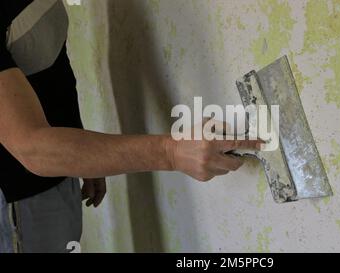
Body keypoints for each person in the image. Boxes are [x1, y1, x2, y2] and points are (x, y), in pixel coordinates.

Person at [0, 0, 260, 253]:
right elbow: (32, 147)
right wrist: (171, 152)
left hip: (56, 173)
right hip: (19, 199)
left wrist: (81, 149)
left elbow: (50, 61)